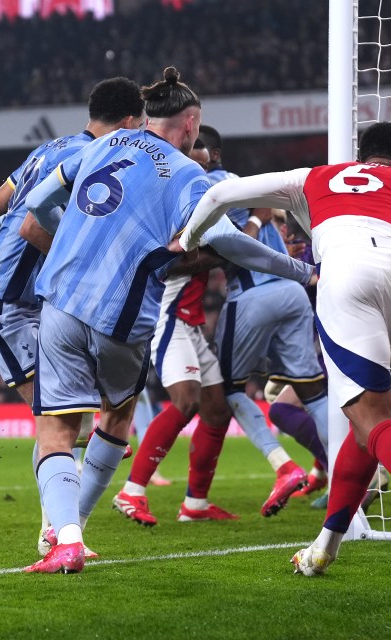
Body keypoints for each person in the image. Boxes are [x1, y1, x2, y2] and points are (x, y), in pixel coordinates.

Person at [174, 121, 391, 603]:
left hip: (346, 280)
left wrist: (189, 239)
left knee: (370, 419)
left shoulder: (313, 176)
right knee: (369, 420)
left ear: (359, 156)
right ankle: (325, 546)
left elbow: (222, 195)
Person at [20, 67, 313, 574]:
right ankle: (78, 528)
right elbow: (228, 242)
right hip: (121, 316)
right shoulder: (185, 174)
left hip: (61, 303)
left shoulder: (104, 144)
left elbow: (38, 201)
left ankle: (63, 538)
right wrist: (300, 270)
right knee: (115, 418)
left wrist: (64, 234)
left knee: (55, 433)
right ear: (192, 122)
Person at [0, 76, 146, 555]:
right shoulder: (92, 161)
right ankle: (55, 530)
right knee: (59, 418)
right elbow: (33, 228)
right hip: (3, 304)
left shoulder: (47, 151)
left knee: (66, 416)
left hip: (22, 298)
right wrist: (84, 264)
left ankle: (57, 525)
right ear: (132, 122)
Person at [110, 141, 315, 526]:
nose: (200, 177)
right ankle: (132, 491)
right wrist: (256, 222)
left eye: (203, 167)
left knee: (218, 408)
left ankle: (196, 504)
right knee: (186, 402)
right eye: (195, 167)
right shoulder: (174, 205)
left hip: (191, 324)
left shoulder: (198, 202)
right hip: (168, 319)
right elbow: (204, 253)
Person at [198, 125, 332, 517]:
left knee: (229, 388)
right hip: (292, 292)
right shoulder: (242, 183)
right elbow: (268, 209)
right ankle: (345, 478)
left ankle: (283, 466)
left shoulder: (200, 188)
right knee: (312, 392)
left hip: (252, 295)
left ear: (212, 153)